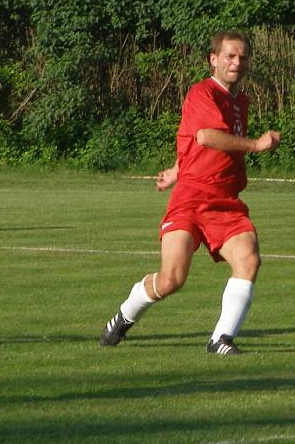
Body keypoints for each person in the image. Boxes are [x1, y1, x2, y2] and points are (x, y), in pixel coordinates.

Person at [99, 30, 280, 355]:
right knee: (171, 280)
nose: (237, 62)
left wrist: (177, 169)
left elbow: (199, 147)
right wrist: (255, 144)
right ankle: (124, 316)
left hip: (226, 202)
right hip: (192, 198)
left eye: (242, 57)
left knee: (248, 260)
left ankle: (220, 339)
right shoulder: (203, 93)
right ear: (214, 59)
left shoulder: (241, 101)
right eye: (230, 55)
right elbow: (207, 136)